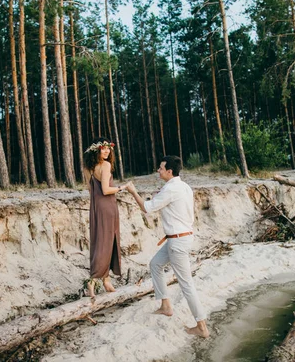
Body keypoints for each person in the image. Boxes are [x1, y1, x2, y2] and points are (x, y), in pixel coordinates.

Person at [126, 155, 209, 338]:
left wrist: (133, 191)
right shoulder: (183, 186)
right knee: (155, 264)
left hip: (177, 241)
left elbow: (146, 208)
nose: (158, 170)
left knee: (186, 284)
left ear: (169, 171)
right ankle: (165, 306)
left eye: (161, 168)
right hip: (179, 238)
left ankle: (201, 327)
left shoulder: (171, 188)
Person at [83, 137, 130, 298]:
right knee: (106, 242)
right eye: (103, 148)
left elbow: (91, 190)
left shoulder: (88, 167)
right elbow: (105, 189)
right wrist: (122, 187)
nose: (107, 151)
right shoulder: (106, 165)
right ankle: (93, 280)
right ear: (96, 150)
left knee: (100, 241)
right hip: (107, 206)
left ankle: (106, 280)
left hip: (95, 207)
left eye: (108, 149)